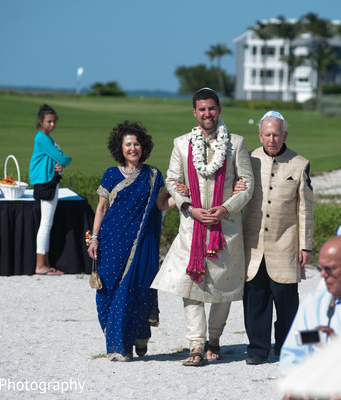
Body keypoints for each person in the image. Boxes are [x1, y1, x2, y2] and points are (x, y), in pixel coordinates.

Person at [151, 88, 254, 367]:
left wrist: (226, 208)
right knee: (190, 285)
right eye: (202, 109)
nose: (207, 113)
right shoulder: (182, 144)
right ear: (194, 113)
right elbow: (172, 181)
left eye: (212, 108)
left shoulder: (236, 143)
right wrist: (189, 206)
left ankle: (215, 338)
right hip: (192, 226)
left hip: (225, 226)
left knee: (224, 285)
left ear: (219, 110)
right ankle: (196, 345)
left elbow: (248, 185)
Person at [86, 121, 178, 362]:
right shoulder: (110, 174)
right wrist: (94, 239)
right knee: (108, 291)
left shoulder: (153, 175)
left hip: (141, 244)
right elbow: (101, 208)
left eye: (136, 143)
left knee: (135, 289)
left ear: (143, 146)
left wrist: (182, 196)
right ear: (120, 147)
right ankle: (121, 338)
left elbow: (160, 205)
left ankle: (125, 343)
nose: (133, 148)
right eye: (128, 144)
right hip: (111, 241)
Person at [242, 110, 313, 366]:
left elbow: (305, 208)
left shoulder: (300, 163)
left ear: (285, 135)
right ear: (260, 135)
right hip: (252, 243)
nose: (272, 139)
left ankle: (284, 348)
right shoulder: (247, 160)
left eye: (277, 134)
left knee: (285, 300)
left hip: (285, 244)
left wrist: (306, 245)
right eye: (267, 134)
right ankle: (257, 349)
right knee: (255, 299)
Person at [279, 235, 341, 376]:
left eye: (330, 269)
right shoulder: (313, 303)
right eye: (320, 268)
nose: (323, 275)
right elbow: (292, 355)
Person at [28, 104, 71, 275]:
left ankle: (44, 263)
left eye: (54, 122)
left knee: (47, 223)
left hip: (49, 181)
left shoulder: (47, 139)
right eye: (49, 122)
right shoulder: (42, 139)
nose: (52, 125)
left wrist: (59, 164)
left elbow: (56, 160)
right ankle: (40, 265)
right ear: (41, 122)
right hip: (46, 183)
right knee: (45, 224)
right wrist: (66, 159)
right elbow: (62, 157)